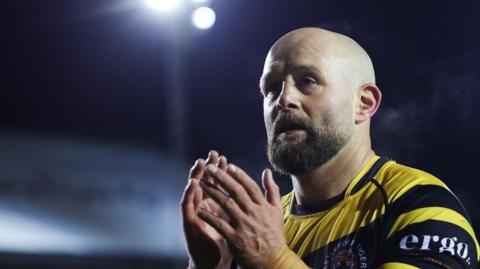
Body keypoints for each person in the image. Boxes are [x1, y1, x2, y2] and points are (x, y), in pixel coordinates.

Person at [181, 27, 479, 269]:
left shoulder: (421, 206)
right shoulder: (259, 226)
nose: (283, 100)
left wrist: (273, 260)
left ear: (363, 103)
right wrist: (209, 265)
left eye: (307, 81)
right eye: (271, 87)